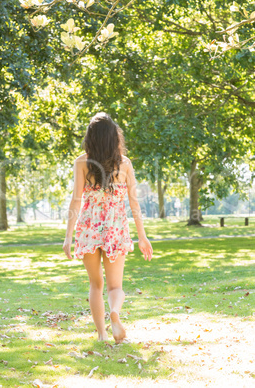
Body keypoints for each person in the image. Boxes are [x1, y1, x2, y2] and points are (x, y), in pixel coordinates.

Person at [63, 112, 153, 343]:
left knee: (96, 284)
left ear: (90, 137)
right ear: (115, 137)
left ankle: (102, 334)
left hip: (89, 228)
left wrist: (68, 236)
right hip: (116, 228)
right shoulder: (124, 164)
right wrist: (142, 237)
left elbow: (76, 200)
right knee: (115, 286)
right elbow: (134, 203)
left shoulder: (82, 162)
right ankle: (114, 312)